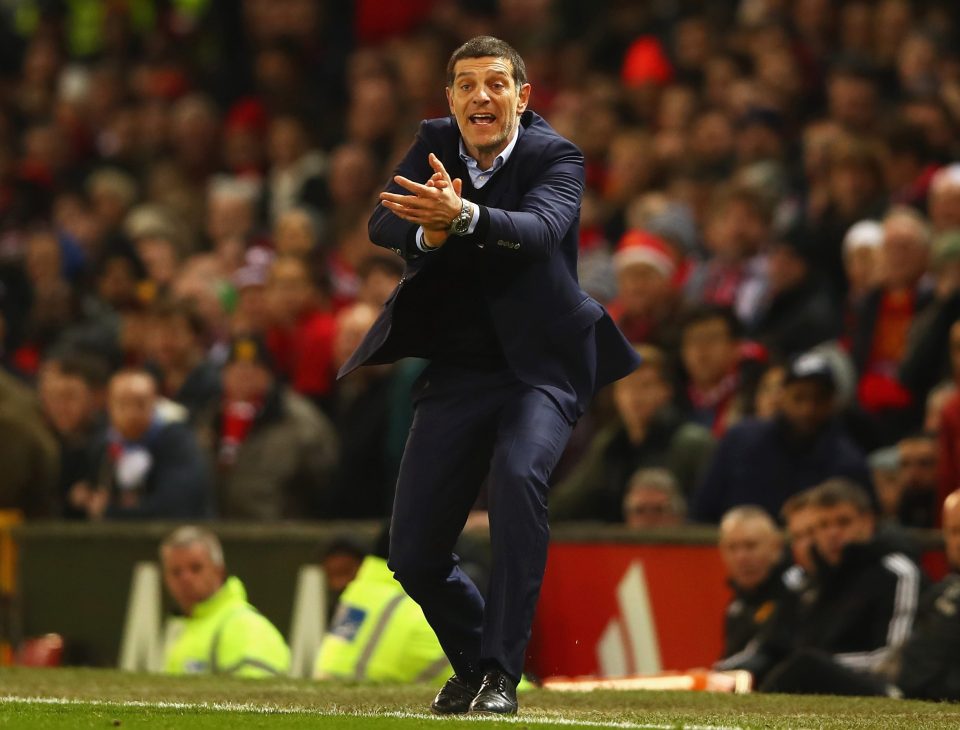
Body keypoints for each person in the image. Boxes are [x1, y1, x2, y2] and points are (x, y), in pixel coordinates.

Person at [337, 36, 640, 715]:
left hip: (543, 369)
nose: (481, 96)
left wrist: (464, 216)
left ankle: (503, 674)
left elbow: (541, 231)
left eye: (496, 84)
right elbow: (385, 220)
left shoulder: (554, 155)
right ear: (450, 99)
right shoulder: (433, 141)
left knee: (517, 479)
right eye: (467, 84)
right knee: (412, 555)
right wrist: (430, 233)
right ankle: (475, 663)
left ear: (522, 98)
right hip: (462, 369)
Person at [690, 351, 872, 523]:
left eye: (819, 399)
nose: (808, 409)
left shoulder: (848, 463)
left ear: (833, 402)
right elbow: (701, 512)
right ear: (782, 396)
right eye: (799, 398)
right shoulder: (741, 441)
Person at [550, 345, 713, 521]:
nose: (634, 396)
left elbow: (708, 511)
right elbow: (570, 501)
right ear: (616, 396)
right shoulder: (610, 443)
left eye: (645, 385)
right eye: (626, 387)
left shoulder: (692, 443)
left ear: (666, 391)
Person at [194, 335, 338, 520]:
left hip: (280, 534)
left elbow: (325, 480)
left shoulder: (298, 419)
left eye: (254, 367)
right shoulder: (210, 418)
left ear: (269, 374)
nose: (243, 374)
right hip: (223, 529)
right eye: (235, 367)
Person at [314, 527, 450, 685]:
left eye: (345, 572)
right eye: (332, 575)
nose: (338, 583)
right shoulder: (416, 606)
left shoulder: (358, 592)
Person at [72, 369, 213, 520]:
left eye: (140, 404)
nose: (132, 413)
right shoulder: (102, 444)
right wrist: (84, 497)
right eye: (123, 404)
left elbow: (174, 506)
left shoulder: (178, 441)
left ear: (155, 403)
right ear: (109, 406)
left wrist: (111, 512)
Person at [161, 525, 290, 677]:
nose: (186, 579)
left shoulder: (245, 627)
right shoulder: (183, 629)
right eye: (176, 572)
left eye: (196, 568)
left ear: (218, 571)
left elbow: (258, 698)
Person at [716, 506, 788, 661]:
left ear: (776, 548)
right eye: (732, 548)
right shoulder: (736, 605)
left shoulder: (795, 597)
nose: (741, 557)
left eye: (751, 546)